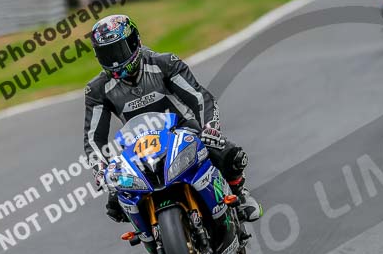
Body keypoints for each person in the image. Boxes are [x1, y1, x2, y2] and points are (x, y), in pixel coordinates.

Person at [83, 14, 262, 224]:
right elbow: (93, 139)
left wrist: (209, 128)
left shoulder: (164, 63)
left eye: (120, 49)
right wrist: (100, 168)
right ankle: (148, 233)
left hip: (183, 131)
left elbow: (200, 97)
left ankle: (239, 193)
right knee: (115, 202)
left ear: (135, 41)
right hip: (139, 147)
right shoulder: (97, 90)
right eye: (107, 54)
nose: (115, 60)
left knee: (231, 155)